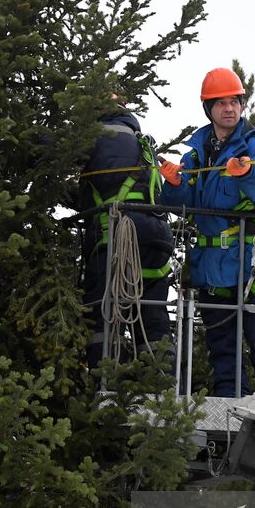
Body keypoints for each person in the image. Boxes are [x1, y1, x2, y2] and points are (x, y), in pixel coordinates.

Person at [158, 68, 255, 398]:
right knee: (224, 355)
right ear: (209, 108)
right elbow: (183, 203)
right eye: (220, 103)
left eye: (234, 101)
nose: (229, 109)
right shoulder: (198, 152)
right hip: (213, 270)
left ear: (243, 105)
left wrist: (246, 172)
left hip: (252, 268)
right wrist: (174, 184)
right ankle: (228, 418)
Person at [80, 99, 174, 367]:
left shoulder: (103, 133)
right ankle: (162, 389)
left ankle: (104, 385)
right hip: (156, 239)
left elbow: (55, 146)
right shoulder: (138, 140)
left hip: (117, 235)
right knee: (153, 318)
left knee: (104, 316)